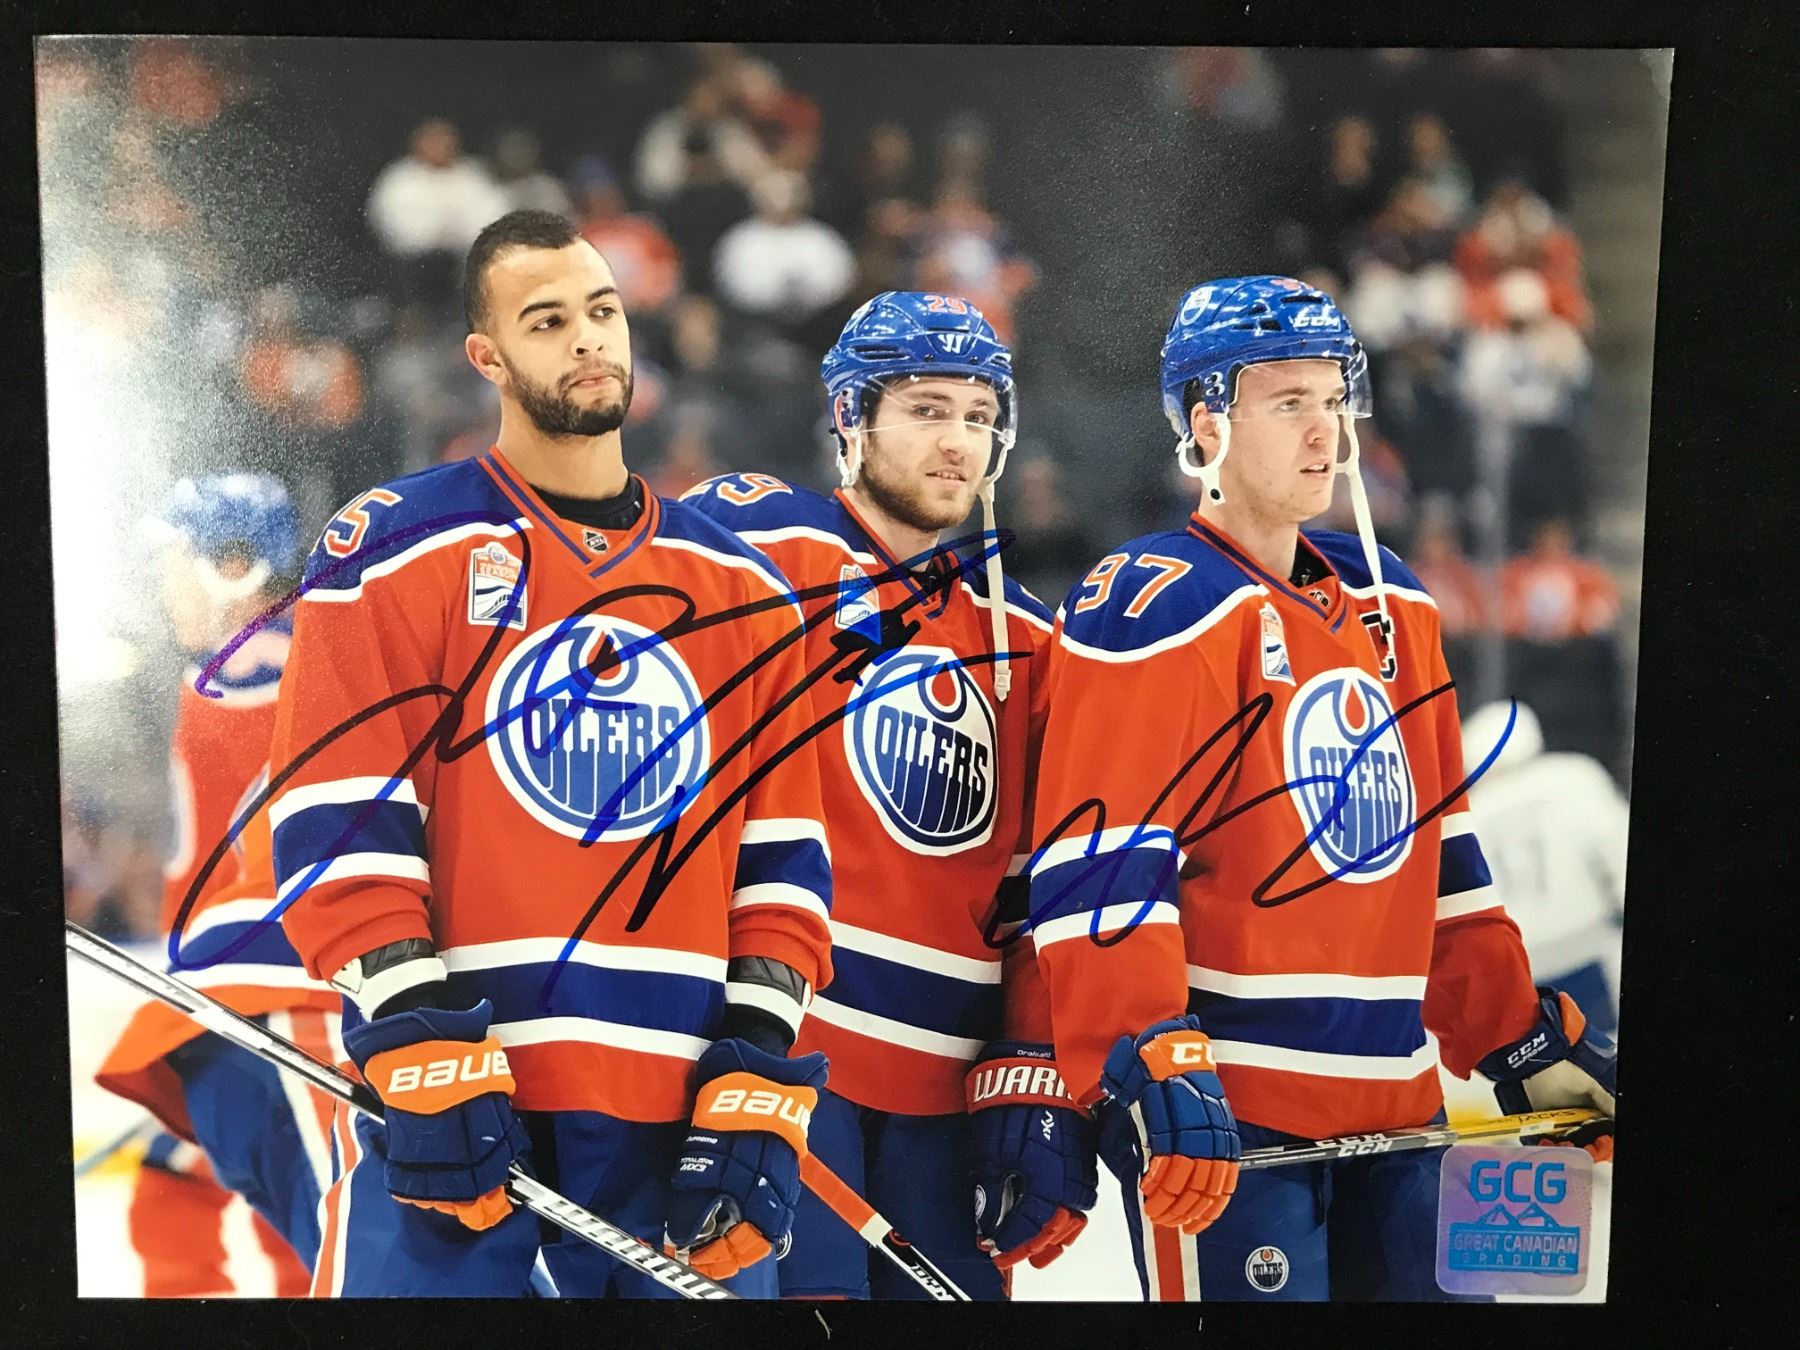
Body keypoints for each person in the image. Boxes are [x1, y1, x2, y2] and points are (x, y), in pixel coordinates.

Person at [268, 209, 834, 1298]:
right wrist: (414, 1027)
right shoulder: (393, 547)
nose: (588, 339)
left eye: (603, 311)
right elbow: (340, 816)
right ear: (486, 357)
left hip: (681, 1126)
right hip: (459, 1098)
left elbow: (784, 865)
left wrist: (758, 1063)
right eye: (547, 321)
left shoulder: (747, 590)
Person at [1025, 275, 1616, 1301]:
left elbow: (1443, 857)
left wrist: (1513, 1033)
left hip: (1407, 1109)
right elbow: (1103, 860)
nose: (1326, 432)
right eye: (1290, 402)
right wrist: (1144, 1052)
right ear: (1207, 422)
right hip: (1232, 1121)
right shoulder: (1154, 601)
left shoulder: (1397, 606)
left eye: (1336, 401)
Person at [681, 292, 1091, 1300]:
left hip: (946, 1102)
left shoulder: (1027, 641)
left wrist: (1034, 1056)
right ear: (849, 416)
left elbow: (1051, 877)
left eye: (979, 417)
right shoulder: (758, 547)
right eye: (927, 410)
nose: (958, 442)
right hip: (780, 1058)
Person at [96, 472, 341, 1297]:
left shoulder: (260, 664)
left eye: (174, 565)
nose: (164, 588)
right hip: (236, 987)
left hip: (271, 986)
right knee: (212, 1191)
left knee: (301, 1219)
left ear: (232, 565)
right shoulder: (256, 660)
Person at [1460, 701, 1627, 1038]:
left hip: (1521, 970)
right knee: (1605, 1048)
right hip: (1589, 949)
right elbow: (1616, 850)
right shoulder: (1573, 776)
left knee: (1549, 1059)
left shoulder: (1470, 812)